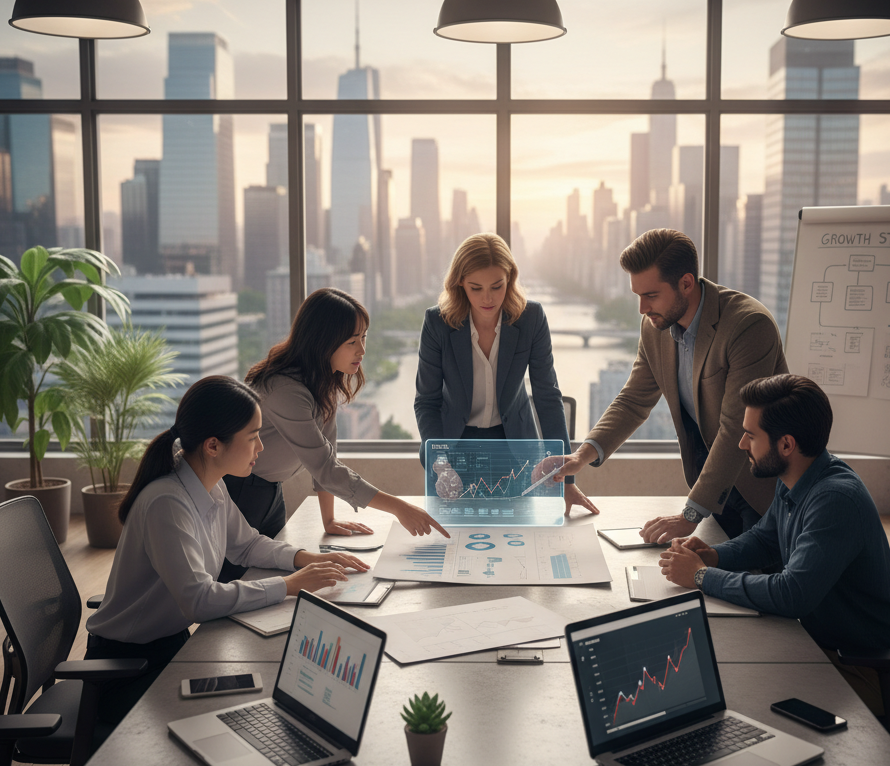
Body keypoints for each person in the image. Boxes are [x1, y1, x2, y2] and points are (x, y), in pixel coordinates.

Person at [86, 376, 367, 725]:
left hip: (169, 646)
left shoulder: (209, 484)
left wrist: (306, 559)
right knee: (250, 714)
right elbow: (199, 600)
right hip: (125, 670)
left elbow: (246, 545)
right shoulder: (167, 503)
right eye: (253, 438)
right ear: (213, 446)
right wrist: (290, 585)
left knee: (262, 698)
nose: (261, 448)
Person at [659, 374, 890, 714]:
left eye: (751, 436)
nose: (741, 445)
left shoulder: (835, 500)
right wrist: (713, 556)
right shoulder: (797, 476)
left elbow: (791, 594)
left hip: (872, 672)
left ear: (786, 445)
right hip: (826, 647)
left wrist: (701, 577)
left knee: (737, 695)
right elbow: (766, 540)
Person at [555, 228, 785, 540]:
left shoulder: (748, 326)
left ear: (686, 283)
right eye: (637, 296)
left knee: (761, 578)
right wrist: (581, 455)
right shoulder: (655, 327)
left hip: (759, 485)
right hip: (710, 485)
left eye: (650, 295)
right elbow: (633, 400)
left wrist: (690, 514)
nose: (642, 309)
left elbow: (735, 429)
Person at [222, 288, 448, 582]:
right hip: (238, 492)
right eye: (352, 341)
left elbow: (327, 453)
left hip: (269, 492)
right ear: (322, 341)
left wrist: (328, 520)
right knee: (233, 584)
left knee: (265, 581)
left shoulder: (324, 381)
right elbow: (326, 468)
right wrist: (398, 507)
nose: (362, 350)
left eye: (364, 337)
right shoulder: (284, 389)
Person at [414, 233, 598, 517]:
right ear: (460, 283)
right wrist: (441, 463)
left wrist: (567, 482)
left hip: (514, 449)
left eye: (497, 286)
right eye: (476, 288)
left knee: (519, 538)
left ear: (510, 279)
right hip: (454, 449)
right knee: (455, 541)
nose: (487, 298)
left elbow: (548, 397)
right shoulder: (437, 323)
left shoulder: (531, 318)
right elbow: (426, 402)